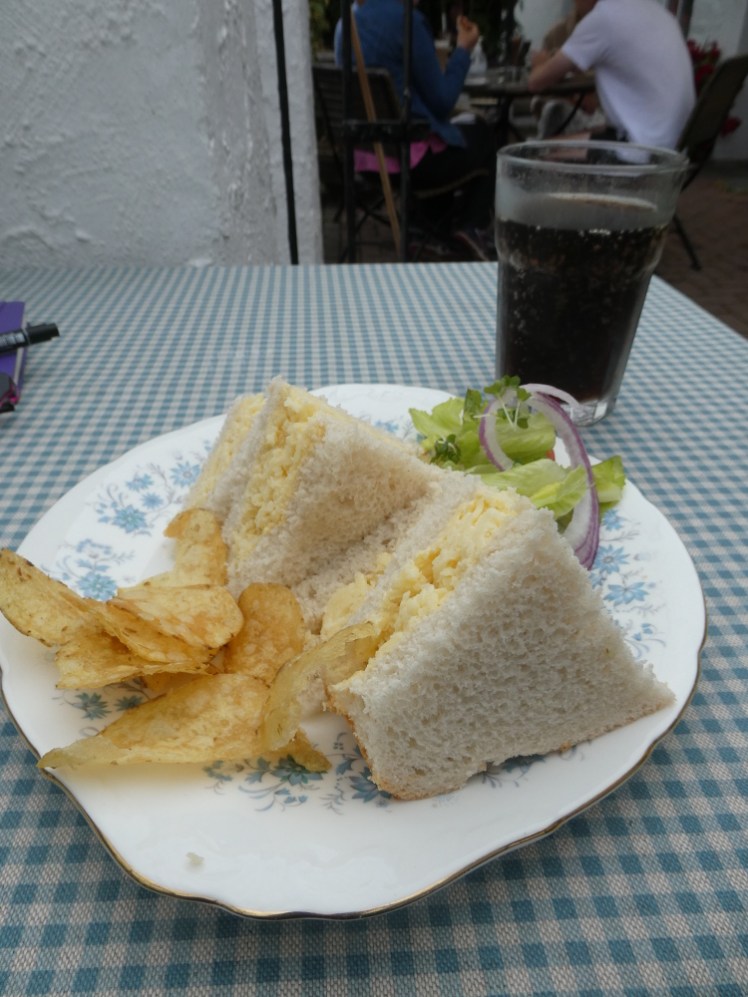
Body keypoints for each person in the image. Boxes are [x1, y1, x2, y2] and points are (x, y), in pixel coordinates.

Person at [336, 0, 497, 261]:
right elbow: (443, 101)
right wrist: (464, 49)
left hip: (367, 159)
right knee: (483, 133)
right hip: (411, 163)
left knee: (443, 134)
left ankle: (428, 230)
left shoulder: (346, 23)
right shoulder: (407, 21)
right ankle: (472, 227)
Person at [528, 0, 695, 149]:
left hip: (644, 148)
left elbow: (535, 82)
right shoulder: (658, 12)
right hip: (674, 141)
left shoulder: (603, 18)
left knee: (543, 150)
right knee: (576, 134)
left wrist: (540, 63)